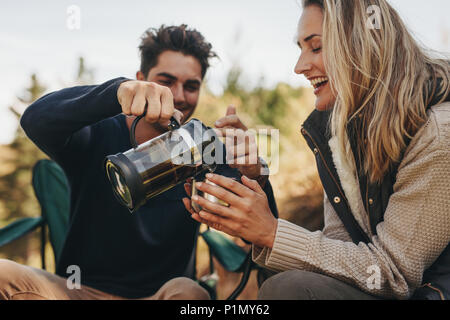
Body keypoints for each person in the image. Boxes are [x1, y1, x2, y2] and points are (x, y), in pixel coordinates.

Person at [184, 0, 450, 300]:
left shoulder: (440, 132)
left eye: (317, 47)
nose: (299, 67)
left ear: (364, 46)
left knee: (288, 289)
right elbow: (339, 250)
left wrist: (272, 233)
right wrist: (253, 196)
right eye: (300, 48)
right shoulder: (338, 134)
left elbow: (390, 272)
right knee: (287, 282)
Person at [0, 24, 278, 300]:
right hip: (78, 292)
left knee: (190, 292)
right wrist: (115, 92)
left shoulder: (205, 149)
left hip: (162, 295)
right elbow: (36, 120)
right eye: (166, 81)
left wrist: (257, 175)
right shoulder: (98, 133)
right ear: (141, 78)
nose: (179, 96)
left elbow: (263, 235)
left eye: (191, 86)